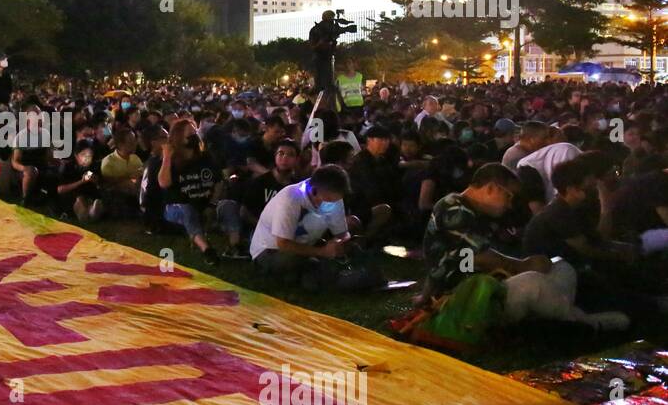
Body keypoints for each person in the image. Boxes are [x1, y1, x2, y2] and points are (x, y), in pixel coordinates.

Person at [422, 163, 628, 332]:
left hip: (486, 286)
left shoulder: (473, 211)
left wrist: (425, 294)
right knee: (533, 282)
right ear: (491, 188)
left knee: (561, 267)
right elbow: (478, 256)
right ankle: (583, 323)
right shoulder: (455, 208)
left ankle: (556, 319)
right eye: (509, 196)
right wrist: (522, 265)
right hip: (470, 298)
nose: (510, 204)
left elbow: (445, 256)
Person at [250, 165, 371, 290]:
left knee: (312, 278)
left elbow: (342, 233)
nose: (331, 204)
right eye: (328, 200)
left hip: (306, 248)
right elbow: (283, 244)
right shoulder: (290, 198)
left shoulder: (333, 199)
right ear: (314, 191)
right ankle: (318, 273)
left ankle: (311, 275)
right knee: (292, 260)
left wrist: (340, 243)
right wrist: (323, 252)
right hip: (270, 251)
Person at [158, 120, 239, 264]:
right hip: (177, 207)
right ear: (179, 137)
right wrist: (167, 157)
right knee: (187, 210)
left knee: (229, 205)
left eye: (195, 132)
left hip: (204, 205)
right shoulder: (172, 159)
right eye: (190, 134)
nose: (194, 136)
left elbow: (218, 181)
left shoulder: (205, 157)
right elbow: (164, 183)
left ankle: (235, 246)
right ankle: (206, 249)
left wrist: (212, 204)